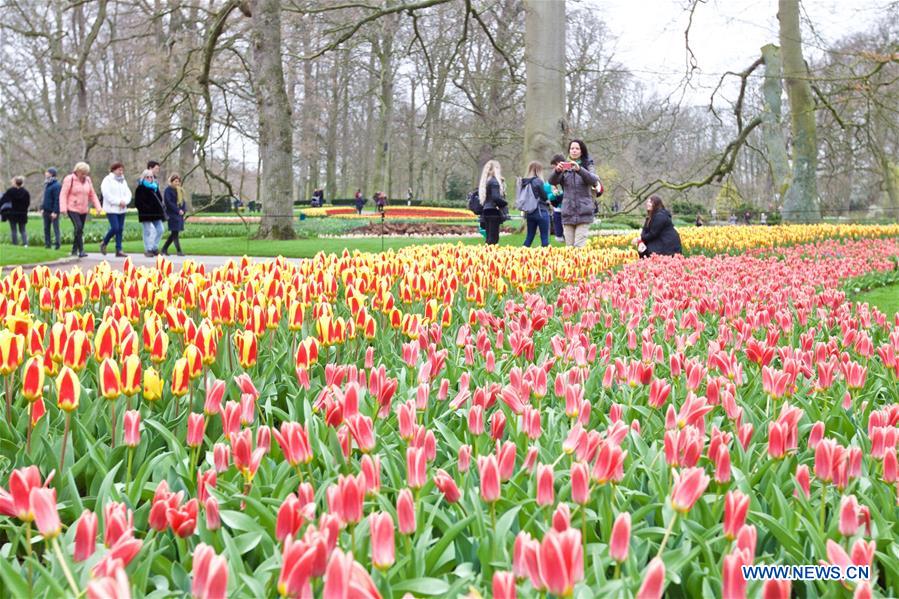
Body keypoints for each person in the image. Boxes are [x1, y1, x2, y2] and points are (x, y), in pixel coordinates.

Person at [548, 139, 600, 248]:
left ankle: (579, 265)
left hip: (584, 211)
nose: (574, 151)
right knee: (569, 248)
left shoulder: (587, 165)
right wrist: (557, 171)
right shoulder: (564, 166)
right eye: (572, 148)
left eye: (577, 148)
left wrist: (579, 169)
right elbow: (552, 181)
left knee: (579, 247)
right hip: (568, 212)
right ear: (569, 151)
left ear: (581, 151)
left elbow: (594, 180)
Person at [60, 162, 101, 257]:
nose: (84, 175)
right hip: (72, 207)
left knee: (79, 229)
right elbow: (63, 194)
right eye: (82, 173)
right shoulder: (69, 179)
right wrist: (63, 208)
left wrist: (98, 207)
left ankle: (74, 250)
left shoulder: (88, 180)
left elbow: (92, 194)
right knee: (78, 227)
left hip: (83, 209)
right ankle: (81, 250)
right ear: (77, 171)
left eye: (86, 173)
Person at [99, 162, 131, 257]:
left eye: (122, 170)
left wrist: (125, 201)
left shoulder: (123, 181)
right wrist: (118, 202)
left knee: (120, 229)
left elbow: (128, 193)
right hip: (112, 208)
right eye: (119, 170)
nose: (121, 172)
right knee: (115, 227)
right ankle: (104, 242)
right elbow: (106, 194)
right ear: (113, 170)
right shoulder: (107, 180)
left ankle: (119, 249)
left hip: (122, 209)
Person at [134, 168, 166, 257]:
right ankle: (148, 249)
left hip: (156, 213)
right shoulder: (140, 188)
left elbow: (160, 199)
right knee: (147, 231)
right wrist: (146, 208)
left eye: (151, 177)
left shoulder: (155, 187)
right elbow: (138, 202)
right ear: (144, 178)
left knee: (160, 229)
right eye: (147, 177)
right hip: (146, 214)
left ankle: (154, 247)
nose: (149, 178)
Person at [520, 161, 551, 248]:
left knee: (529, 237)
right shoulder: (538, 181)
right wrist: (548, 200)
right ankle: (546, 258)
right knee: (544, 238)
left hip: (530, 212)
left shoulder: (524, 182)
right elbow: (544, 196)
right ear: (539, 170)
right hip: (541, 211)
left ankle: (521, 254)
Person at [478, 160, 506, 246]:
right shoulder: (494, 182)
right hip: (493, 211)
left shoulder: (486, 182)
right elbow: (496, 197)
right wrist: (504, 203)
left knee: (489, 236)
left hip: (486, 210)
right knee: (493, 238)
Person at [161, 173, 186, 256]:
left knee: (174, 233)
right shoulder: (168, 190)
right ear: (171, 182)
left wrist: (183, 210)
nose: (177, 183)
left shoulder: (180, 190)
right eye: (175, 181)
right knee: (175, 232)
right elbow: (168, 203)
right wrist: (178, 210)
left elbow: (183, 201)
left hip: (179, 215)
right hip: (172, 214)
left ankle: (164, 249)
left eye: (178, 181)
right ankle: (179, 251)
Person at [1, 176, 30, 246]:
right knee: (23, 230)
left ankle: (15, 244)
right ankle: (25, 244)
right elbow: (28, 203)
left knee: (14, 230)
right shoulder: (26, 192)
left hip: (13, 213)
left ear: (15, 183)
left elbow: (3, 200)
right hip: (22, 213)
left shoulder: (10, 191)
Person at [41, 168, 61, 249]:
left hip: (53, 211)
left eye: (47, 172)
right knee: (46, 228)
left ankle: (57, 244)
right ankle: (47, 244)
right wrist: (42, 207)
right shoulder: (47, 184)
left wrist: (55, 211)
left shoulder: (56, 185)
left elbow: (57, 199)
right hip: (46, 210)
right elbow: (45, 198)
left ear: (51, 174)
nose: (45, 173)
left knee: (55, 228)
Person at [547, 154, 565, 243]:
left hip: (563, 206)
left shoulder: (563, 175)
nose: (554, 169)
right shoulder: (555, 176)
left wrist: (555, 197)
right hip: (558, 207)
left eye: (554, 166)